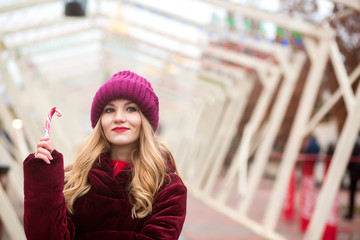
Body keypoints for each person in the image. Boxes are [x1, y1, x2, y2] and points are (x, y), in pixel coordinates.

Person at [23, 70, 187, 239]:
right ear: (100, 122)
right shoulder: (74, 179)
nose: (118, 118)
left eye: (130, 109)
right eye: (109, 110)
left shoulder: (168, 188)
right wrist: (43, 179)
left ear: (145, 120)